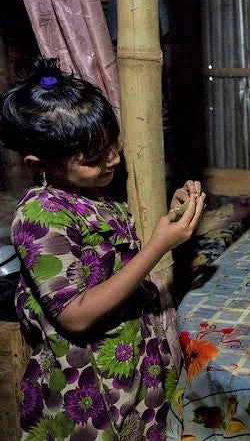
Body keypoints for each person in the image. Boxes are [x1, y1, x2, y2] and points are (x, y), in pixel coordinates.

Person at [0, 58, 206, 439]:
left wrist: (173, 214)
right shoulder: (40, 215)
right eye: (94, 159)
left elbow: (116, 263)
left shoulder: (95, 193)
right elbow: (75, 316)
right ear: (40, 164)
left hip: (135, 375)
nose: (112, 159)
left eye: (113, 145)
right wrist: (158, 247)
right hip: (89, 393)